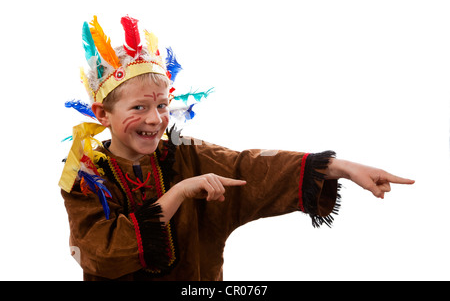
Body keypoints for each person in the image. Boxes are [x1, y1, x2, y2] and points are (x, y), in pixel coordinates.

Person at [59, 15, 415, 281]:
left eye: (163, 106)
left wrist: (345, 168)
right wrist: (180, 192)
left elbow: (251, 168)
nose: (155, 119)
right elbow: (100, 253)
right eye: (139, 108)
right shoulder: (85, 176)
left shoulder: (186, 154)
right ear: (103, 114)